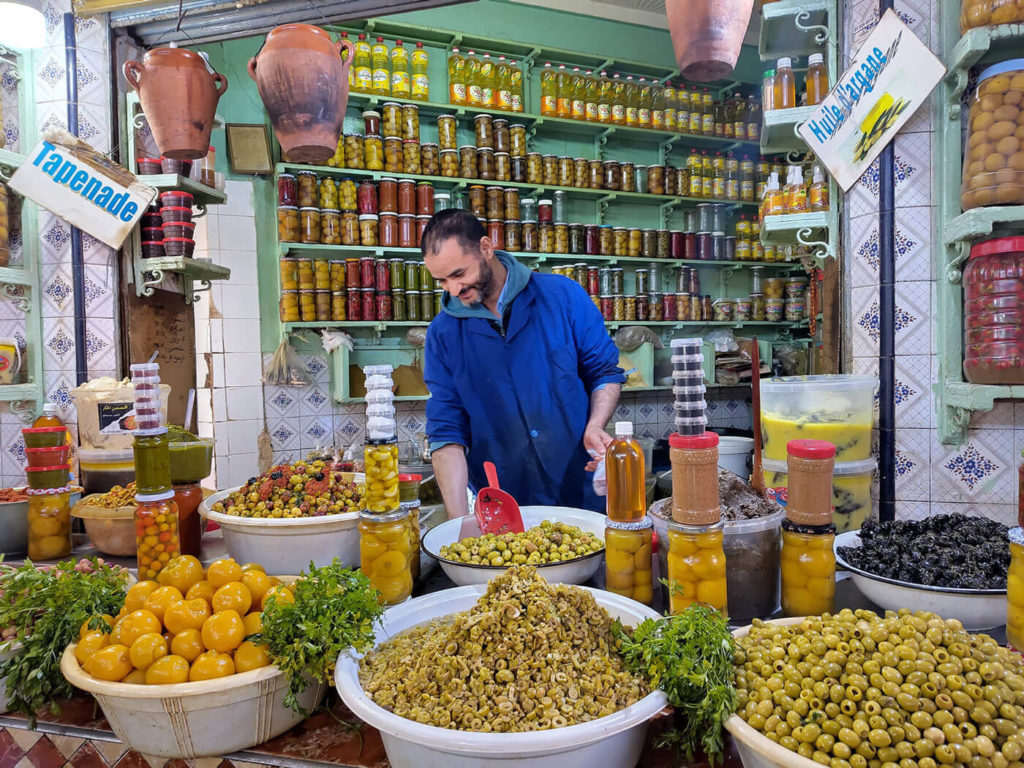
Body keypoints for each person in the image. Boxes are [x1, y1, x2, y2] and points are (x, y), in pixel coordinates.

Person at [420, 209, 625, 518]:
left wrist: (595, 424)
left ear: (486, 248)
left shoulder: (562, 296)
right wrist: (458, 522)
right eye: (442, 281)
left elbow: (604, 372)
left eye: (459, 274)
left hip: (580, 493)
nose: (453, 290)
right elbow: (447, 430)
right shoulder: (442, 334)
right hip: (504, 507)